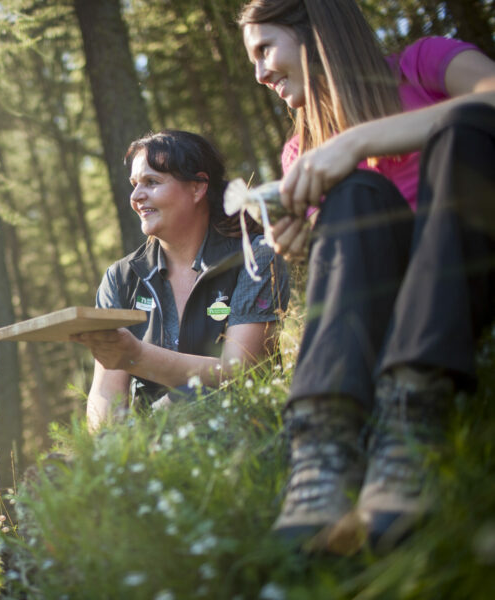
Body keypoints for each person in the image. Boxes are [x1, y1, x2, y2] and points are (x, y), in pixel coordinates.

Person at [238, 0, 495, 550]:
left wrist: (358, 141)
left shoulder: (425, 63)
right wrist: (302, 245)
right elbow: (352, 267)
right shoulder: (297, 153)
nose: (259, 73)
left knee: (471, 123)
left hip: (466, 267)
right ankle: (324, 445)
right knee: (354, 193)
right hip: (391, 307)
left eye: (265, 49)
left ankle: (412, 419)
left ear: (314, 29)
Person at [73, 130, 289, 430]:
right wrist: (108, 448)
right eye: (134, 185)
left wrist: (136, 355)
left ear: (198, 188)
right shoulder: (120, 278)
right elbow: (106, 393)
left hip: (241, 432)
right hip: (152, 447)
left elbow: (244, 374)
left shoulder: (255, 257)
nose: (136, 197)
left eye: (152, 182)